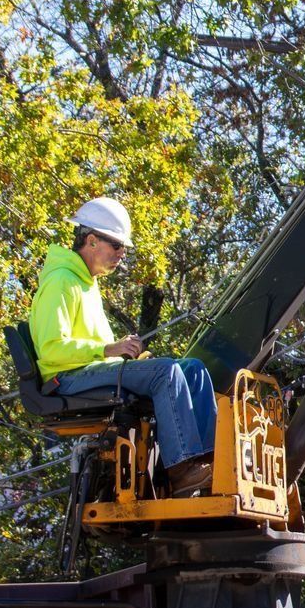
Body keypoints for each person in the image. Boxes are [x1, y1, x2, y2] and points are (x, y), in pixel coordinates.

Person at [29, 197, 218, 496]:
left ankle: (209, 460)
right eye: (116, 245)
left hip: (90, 368)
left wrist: (134, 359)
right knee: (165, 373)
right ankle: (182, 470)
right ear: (91, 240)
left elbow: (96, 347)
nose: (121, 254)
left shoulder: (86, 283)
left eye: (124, 248)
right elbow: (52, 349)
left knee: (191, 369)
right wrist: (108, 350)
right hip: (66, 377)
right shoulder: (61, 281)